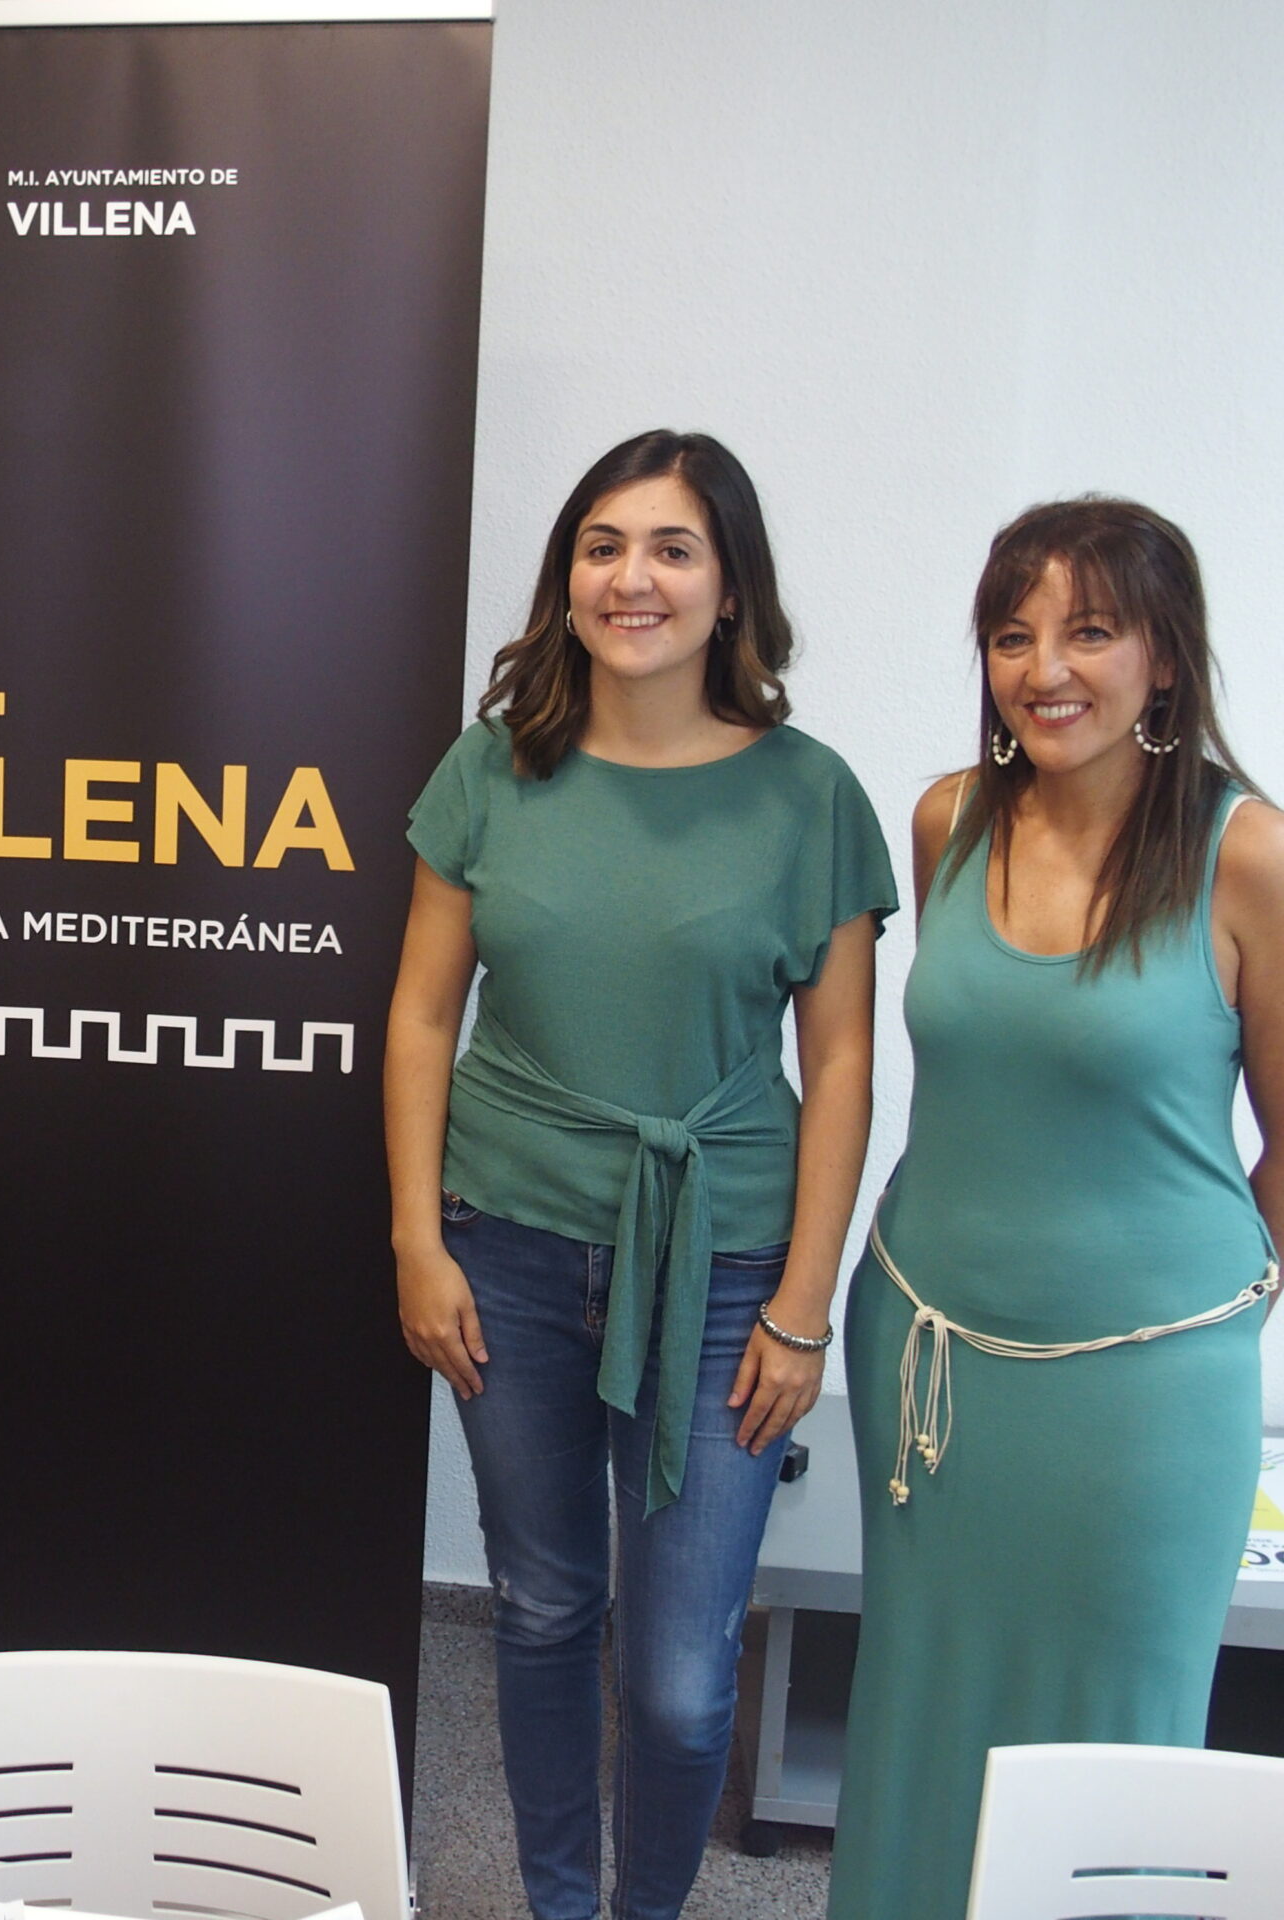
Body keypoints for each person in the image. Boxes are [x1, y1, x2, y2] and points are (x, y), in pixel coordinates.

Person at [384, 431, 893, 1920]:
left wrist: (804, 1307)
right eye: (602, 546)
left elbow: (842, 1066)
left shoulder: (811, 797)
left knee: (679, 1675)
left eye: (674, 548)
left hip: (727, 1269)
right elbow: (421, 1017)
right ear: (568, 579)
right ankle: (560, 1907)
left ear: (732, 588)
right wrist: (418, 1240)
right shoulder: (492, 770)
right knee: (544, 1607)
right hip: (506, 1245)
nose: (633, 578)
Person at [829, 499, 1284, 1919]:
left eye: (1089, 631)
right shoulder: (950, 822)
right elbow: (987, 1074)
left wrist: (1197, 1308)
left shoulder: (1248, 855)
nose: (1045, 669)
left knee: (1115, 1734)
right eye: (1013, 635)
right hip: (929, 1364)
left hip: (1143, 1395)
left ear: (1165, 655)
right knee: (924, 1708)